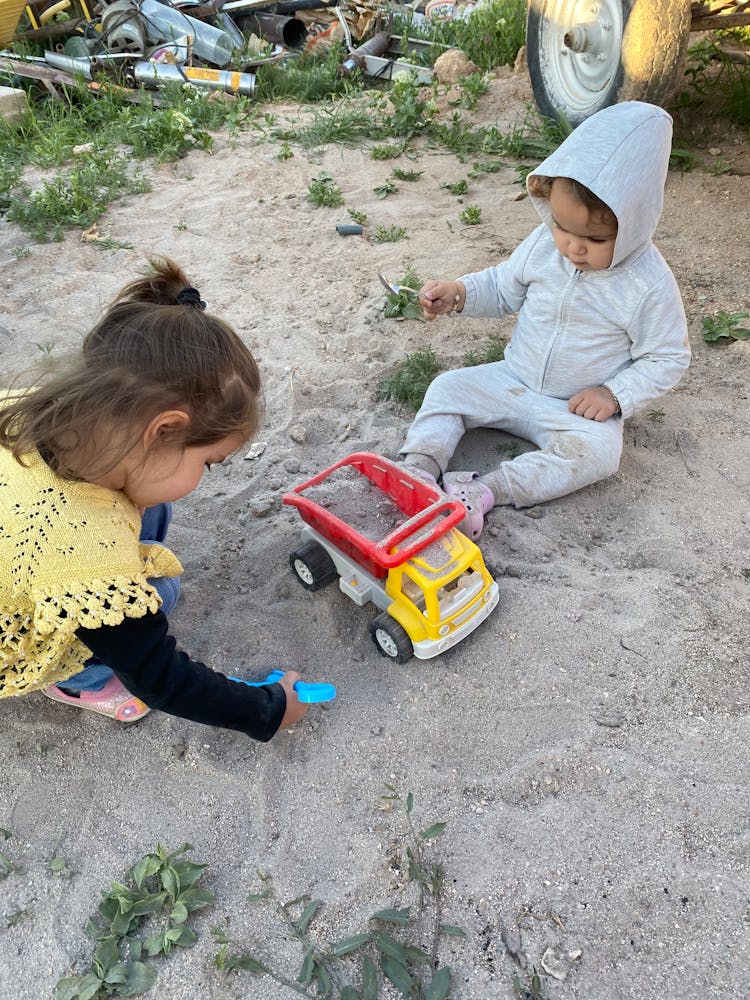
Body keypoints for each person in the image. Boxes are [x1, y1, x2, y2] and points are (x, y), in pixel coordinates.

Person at [0, 258, 311, 740]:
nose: (204, 477)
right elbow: (162, 678)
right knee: (161, 595)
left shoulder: (32, 406)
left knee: (151, 503)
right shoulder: (80, 553)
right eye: (208, 463)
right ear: (163, 430)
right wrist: (267, 709)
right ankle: (80, 680)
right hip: (18, 620)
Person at [400, 101, 691, 539]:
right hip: (512, 378)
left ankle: (487, 490)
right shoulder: (542, 244)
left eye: (595, 239)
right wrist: (459, 293)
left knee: (600, 455)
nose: (574, 248)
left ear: (633, 226)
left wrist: (615, 394)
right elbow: (503, 286)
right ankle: (419, 470)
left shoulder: (647, 283)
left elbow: (667, 356)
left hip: (575, 408)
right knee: (447, 387)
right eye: (562, 227)